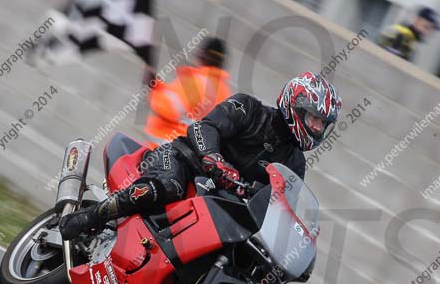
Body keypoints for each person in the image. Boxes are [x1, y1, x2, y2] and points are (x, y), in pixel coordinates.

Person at [59, 72, 342, 239]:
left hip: (220, 203)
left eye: (322, 123)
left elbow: (280, 206)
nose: (317, 128)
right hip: (184, 161)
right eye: (314, 118)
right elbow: (202, 127)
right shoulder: (249, 109)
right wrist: (214, 158)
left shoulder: (295, 163)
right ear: (295, 104)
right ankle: (90, 217)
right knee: (165, 187)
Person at [144, 37, 232, 147]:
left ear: (204, 55)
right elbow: (179, 101)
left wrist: (153, 90)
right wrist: (157, 85)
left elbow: (167, 107)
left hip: (166, 146)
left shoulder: (196, 81)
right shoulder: (224, 91)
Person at [376, 7, 440, 62]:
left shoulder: (408, 38)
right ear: (416, 20)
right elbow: (388, 64)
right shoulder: (402, 37)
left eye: (431, 30)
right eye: (426, 27)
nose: (427, 33)